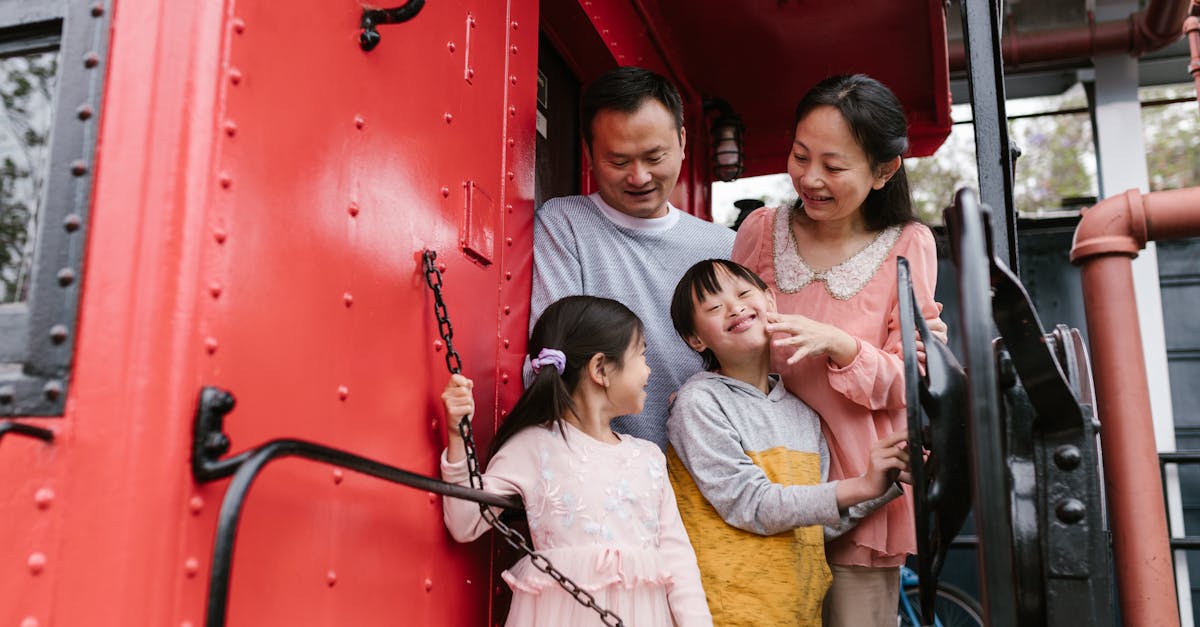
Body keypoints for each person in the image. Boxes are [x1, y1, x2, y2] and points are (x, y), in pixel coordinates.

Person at [730, 74, 942, 627]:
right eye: (800, 156)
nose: (810, 178)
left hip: (860, 492)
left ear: (884, 170)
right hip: (763, 480)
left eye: (834, 165)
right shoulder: (759, 230)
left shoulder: (907, 244)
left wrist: (843, 346)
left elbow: (918, 377)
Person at [440, 295, 713, 627]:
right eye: (641, 354)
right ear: (601, 369)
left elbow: (678, 559)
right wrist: (458, 436)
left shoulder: (647, 457)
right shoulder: (532, 446)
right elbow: (465, 523)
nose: (649, 369)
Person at [665, 258, 907, 626]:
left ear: (771, 302)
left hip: (798, 609)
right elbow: (750, 504)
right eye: (714, 307)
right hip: (729, 609)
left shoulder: (802, 412)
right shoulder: (699, 403)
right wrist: (862, 485)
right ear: (695, 339)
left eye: (744, 293)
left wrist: (887, 483)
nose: (735, 307)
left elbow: (814, 523)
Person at [530, 66, 735, 450]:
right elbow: (553, 361)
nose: (639, 177)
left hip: (711, 470)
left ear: (682, 141)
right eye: (619, 162)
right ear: (589, 153)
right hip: (605, 466)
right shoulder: (565, 226)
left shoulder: (725, 247)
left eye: (654, 157)